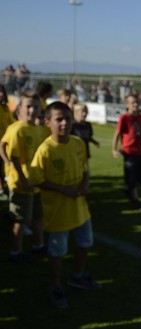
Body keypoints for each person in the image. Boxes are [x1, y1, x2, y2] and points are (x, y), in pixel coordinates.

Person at [29, 101, 98, 308]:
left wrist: (85, 182)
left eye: (67, 118)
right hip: (58, 212)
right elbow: (37, 179)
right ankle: (56, 287)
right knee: (57, 251)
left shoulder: (77, 143)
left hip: (80, 208)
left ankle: (78, 275)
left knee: (85, 243)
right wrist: (63, 189)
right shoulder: (45, 150)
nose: (64, 123)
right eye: (59, 119)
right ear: (48, 122)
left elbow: (84, 168)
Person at [0, 91, 49, 263]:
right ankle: (16, 251)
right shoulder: (18, 129)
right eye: (28, 106)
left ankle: (38, 244)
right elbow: (13, 156)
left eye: (35, 107)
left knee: (38, 216)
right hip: (22, 184)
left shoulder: (38, 129)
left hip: (36, 182)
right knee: (20, 220)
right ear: (20, 108)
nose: (32, 110)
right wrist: (21, 178)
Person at [112, 95, 141, 210]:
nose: (135, 104)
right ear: (127, 104)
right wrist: (114, 149)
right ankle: (136, 200)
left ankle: (128, 189)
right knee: (132, 178)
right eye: (132, 102)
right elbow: (117, 134)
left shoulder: (140, 117)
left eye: (137, 102)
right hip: (129, 152)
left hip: (140, 152)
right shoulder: (124, 118)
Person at [71, 103, 100, 171]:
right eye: (82, 112)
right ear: (76, 112)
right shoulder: (72, 125)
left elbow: (88, 137)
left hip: (85, 154)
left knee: (85, 174)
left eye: (86, 111)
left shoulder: (88, 125)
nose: (84, 114)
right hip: (73, 155)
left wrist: (95, 142)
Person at [0, 84, 15, 194]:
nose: (1, 94)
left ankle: (4, 186)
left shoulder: (5, 108)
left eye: (2, 92)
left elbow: (12, 122)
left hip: (4, 142)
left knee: (4, 164)